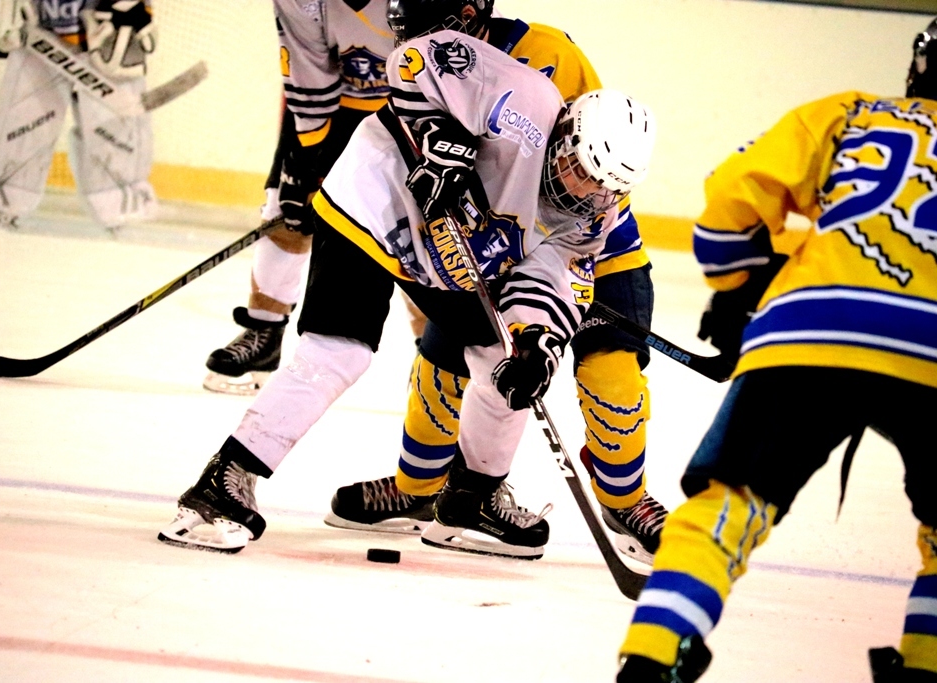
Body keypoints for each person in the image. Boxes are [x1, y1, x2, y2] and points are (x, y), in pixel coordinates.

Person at [158, 6, 656, 561]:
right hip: (372, 207)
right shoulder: (526, 100)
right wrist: (441, 138)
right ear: (564, 136)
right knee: (339, 353)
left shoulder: (592, 213)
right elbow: (412, 60)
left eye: (601, 186)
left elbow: (548, 276)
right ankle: (222, 486)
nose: (583, 189)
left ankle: (471, 499)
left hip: (444, 258)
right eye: (579, 169)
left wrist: (537, 339)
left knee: (503, 359)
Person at [615, 19, 937, 683]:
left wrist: (738, 295)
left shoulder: (853, 112)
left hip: (813, 326)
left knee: (729, 501)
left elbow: (729, 206)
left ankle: (654, 655)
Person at [322, 0, 669, 564]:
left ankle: (627, 504)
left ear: (469, 14)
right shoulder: (431, 58)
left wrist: (542, 324)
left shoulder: (548, 55)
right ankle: (418, 490)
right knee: (446, 358)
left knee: (613, 377)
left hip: (590, 244)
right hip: (496, 239)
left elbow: (595, 165)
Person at [202, 0, 399, 395]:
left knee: (422, 230)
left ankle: (438, 359)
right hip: (335, 105)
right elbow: (308, 70)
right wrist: (309, 158)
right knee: (286, 208)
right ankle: (263, 333)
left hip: (412, 112)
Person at [0, 0, 157, 231]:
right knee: (25, 117)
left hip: (107, 29)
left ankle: (122, 208)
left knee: (112, 128)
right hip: (40, 28)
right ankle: (2, 202)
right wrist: (2, 16)